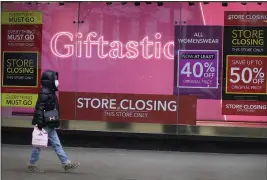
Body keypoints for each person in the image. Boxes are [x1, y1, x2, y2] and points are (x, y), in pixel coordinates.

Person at [27, 70, 80, 173]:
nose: (57, 81)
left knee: (56, 144)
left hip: (49, 121)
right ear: (50, 80)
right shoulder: (45, 91)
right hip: (44, 122)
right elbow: (39, 107)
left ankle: (66, 163)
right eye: (55, 79)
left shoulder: (50, 91)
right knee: (39, 144)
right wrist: (40, 122)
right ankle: (32, 164)